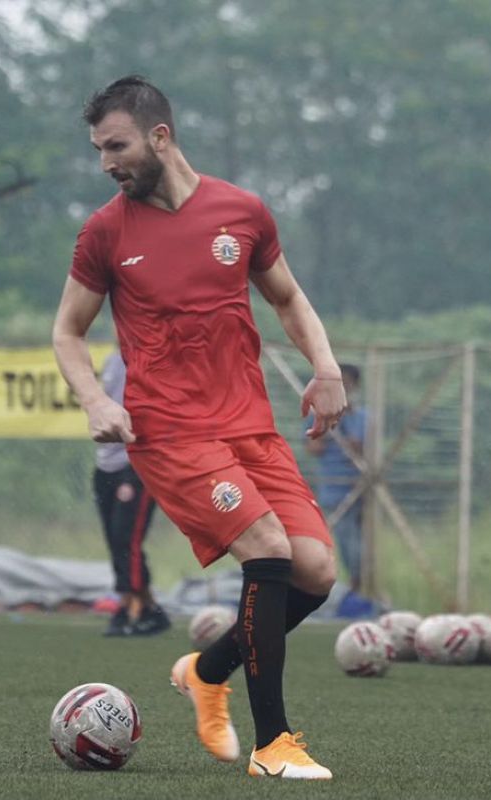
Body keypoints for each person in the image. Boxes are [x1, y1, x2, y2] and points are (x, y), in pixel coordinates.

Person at [53, 75, 345, 781]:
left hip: (250, 425)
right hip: (170, 433)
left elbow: (289, 298)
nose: (105, 163)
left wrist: (326, 367)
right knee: (269, 551)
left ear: (160, 137)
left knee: (315, 573)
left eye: (115, 145)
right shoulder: (104, 232)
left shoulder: (241, 212)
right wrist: (96, 400)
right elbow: (67, 331)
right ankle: (273, 744)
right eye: (97, 149)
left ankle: (205, 671)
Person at [93, 348, 169, 636]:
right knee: (115, 540)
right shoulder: (112, 360)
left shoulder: (150, 362)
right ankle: (152, 611)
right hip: (105, 466)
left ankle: (128, 608)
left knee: (127, 539)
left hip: (135, 464)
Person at [305, 363, 370, 613]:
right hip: (332, 488)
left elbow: (363, 447)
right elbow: (314, 448)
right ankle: (339, 592)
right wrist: (328, 421)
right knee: (336, 542)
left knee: (356, 543)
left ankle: (360, 590)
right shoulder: (318, 414)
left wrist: (348, 420)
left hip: (359, 488)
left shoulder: (363, 417)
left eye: (349, 383)